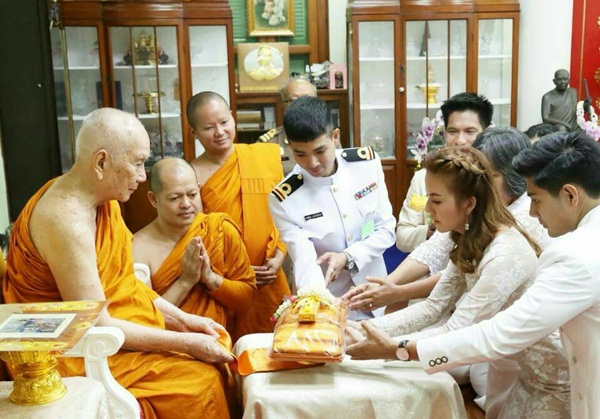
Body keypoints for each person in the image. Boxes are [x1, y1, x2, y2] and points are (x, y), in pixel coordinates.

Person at [2, 108, 234, 419]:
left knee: (212, 364)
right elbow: (96, 324)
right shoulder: (66, 221)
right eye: (137, 163)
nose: (142, 176)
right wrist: (188, 343)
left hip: (108, 330)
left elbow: (124, 283)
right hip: (67, 350)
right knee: (199, 384)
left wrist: (184, 320)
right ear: (101, 163)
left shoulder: (102, 200)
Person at [346, 146, 570, 418]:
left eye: (436, 201)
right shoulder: (470, 236)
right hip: (518, 369)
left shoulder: (505, 252)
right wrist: (360, 329)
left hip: (553, 378)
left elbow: (457, 329)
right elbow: (433, 307)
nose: (428, 208)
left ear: (469, 203)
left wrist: (390, 348)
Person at [394, 132, 600, 419]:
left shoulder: (575, 254)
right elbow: (436, 304)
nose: (531, 211)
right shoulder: (469, 236)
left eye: (536, 199)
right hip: (529, 373)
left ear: (570, 195)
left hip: (560, 381)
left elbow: (500, 333)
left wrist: (399, 349)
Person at [346, 128, 552, 314]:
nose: (480, 183)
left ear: (513, 176)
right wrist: (387, 283)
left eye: (489, 176)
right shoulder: (476, 207)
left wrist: (397, 292)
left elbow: (456, 302)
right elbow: (435, 249)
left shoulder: (525, 218)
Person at [268, 96, 396, 320]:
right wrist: (321, 303)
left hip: (374, 293)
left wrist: (348, 257)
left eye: (320, 151)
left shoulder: (366, 165)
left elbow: (386, 229)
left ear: (335, 137)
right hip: (328, 303)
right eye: (300, 154)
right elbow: (304, 258)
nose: (312, 163)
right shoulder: (285, 199)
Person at [188, 91, 290, 340]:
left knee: (276, 344)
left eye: (224, 122)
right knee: (229, 346)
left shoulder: (264, 157)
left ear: (233, 118)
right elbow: (194, 232)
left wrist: (279, 256)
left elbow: (286, 214)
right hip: (224, 282)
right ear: (194, 132)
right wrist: (233, 270)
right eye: (208, 128)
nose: (220, 132)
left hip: (269, 276)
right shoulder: (191, 174)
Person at [132, 157, 257, 333]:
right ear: (154, 199)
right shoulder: (137, 247)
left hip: (216, 339)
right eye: (175, 198)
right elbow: (144, 319)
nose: (186, 204)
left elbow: (247, 298)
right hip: (166, 344)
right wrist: (185, 281)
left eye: (192, 195)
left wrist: (210, 278)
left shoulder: (219, 229)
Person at [396, 92, 494, 253]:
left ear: (487, 132)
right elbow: (402, 237)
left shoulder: (494, 177)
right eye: (452, 131)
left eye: (470, 131)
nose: (460, 140)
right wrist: (431, 231)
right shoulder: (424, 178)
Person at [259, 77, 318, 175]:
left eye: (308, 100)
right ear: (282, 104)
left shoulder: (328, 137)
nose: (301, 106)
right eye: (294, 100)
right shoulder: (269, 143)